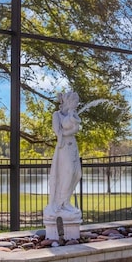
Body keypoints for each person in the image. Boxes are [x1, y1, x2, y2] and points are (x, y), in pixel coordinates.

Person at [44, 91, 82, 220]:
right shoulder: (57, 115)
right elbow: (58, 132)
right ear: (68, 102)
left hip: (73, 145)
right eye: (75, 102)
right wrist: (69, 130)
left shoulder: (73, 114)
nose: (77, 104)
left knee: (77, 174)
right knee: (68, 172)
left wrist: (71, 125)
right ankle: (61, 203)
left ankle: (67, 201)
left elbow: (76, 129)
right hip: (63, 146)